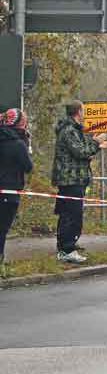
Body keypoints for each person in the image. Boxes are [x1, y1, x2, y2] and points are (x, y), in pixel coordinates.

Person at [52, 100, 107, 263]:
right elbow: (80, 152)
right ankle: (66, 249)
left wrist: (93, 147)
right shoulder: (69, 130)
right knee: (70, 215)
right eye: (84, 110)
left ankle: (68, 245)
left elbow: (84, 153)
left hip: (76, 177)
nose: (85, 113)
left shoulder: (75, 130)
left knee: (72, 214)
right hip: (70, 179)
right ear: (78, 111)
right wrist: (97, 142)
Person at [0, 109, 33, 276]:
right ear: (21, 124)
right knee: (2, 229)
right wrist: (26, 142)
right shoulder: (17, 144)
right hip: (9, 191)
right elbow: (28, 167)